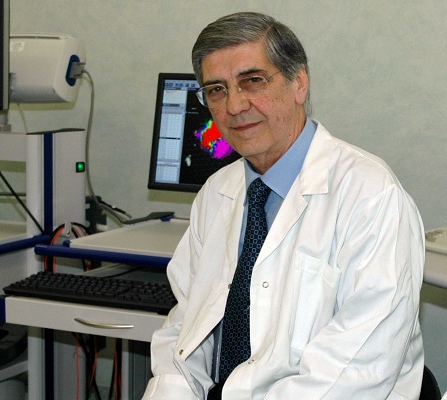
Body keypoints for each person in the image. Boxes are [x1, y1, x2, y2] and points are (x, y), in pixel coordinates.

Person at [142, 11, 425, 400]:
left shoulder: (371, 196)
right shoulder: (216, 193)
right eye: (217, 89)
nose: (234, 105)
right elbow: (184, 334)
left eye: (252, 81)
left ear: (299, 83)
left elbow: (355, 372)